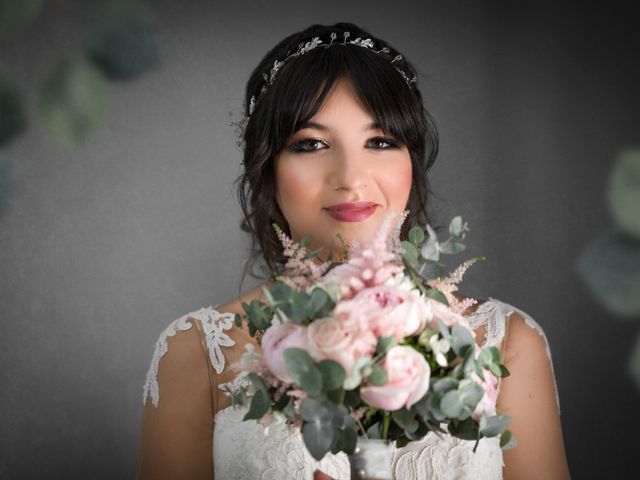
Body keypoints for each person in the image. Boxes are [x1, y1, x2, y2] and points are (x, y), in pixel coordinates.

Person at [136, 22, 571, 479]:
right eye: (312, 144)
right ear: (266, 168)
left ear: (412, 161)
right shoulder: (196, 352)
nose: (350, 176)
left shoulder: (506, 342)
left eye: (381, 141)